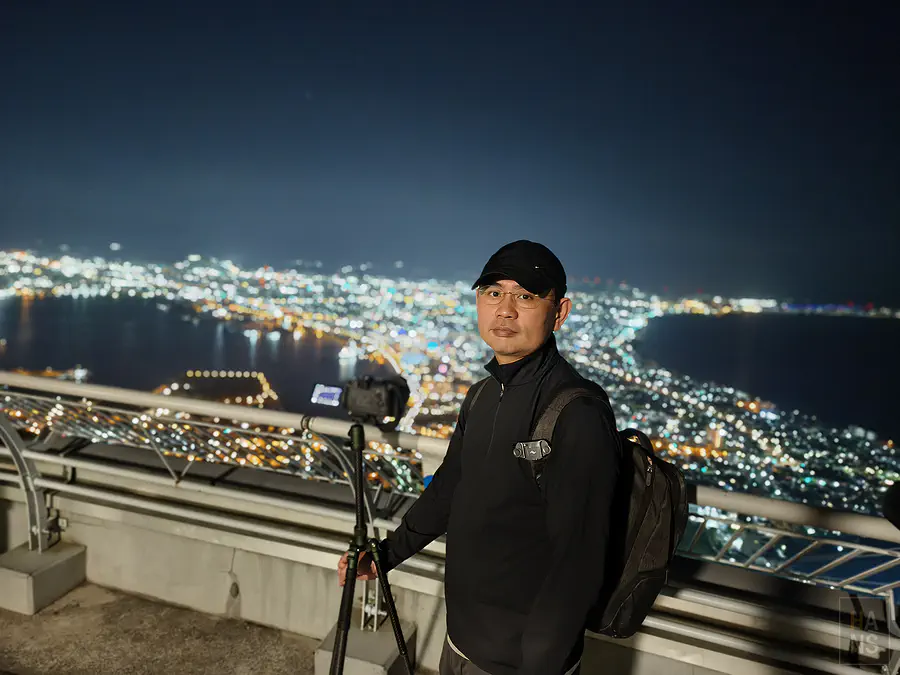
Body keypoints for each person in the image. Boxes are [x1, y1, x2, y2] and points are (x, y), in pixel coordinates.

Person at [338, 240, 621, 675]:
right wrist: (384, 554)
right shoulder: (482, 395)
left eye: (525, 296)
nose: (505, 310)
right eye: (493, 293)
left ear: (559, 312)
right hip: (462, 642)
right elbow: (447, 492)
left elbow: (578, 565)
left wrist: (541, 665)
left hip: (522, 662)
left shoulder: (576, 413)